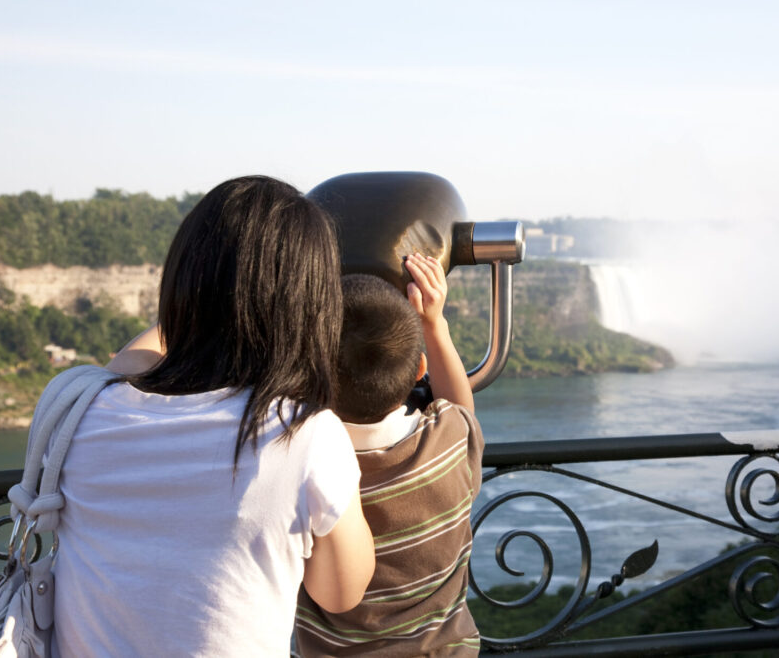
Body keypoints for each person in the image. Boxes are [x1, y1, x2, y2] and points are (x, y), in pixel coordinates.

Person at [50, 175, 375, 656]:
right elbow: (341, 593)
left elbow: (125, 364)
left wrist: (201, 310)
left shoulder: (81, 407)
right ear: (310, 305)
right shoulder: (303, 434)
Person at [294, 252, 484, 657]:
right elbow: (462, 408)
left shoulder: (301, 467)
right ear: (419, 370)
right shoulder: (449, 441)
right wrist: (434, 324)